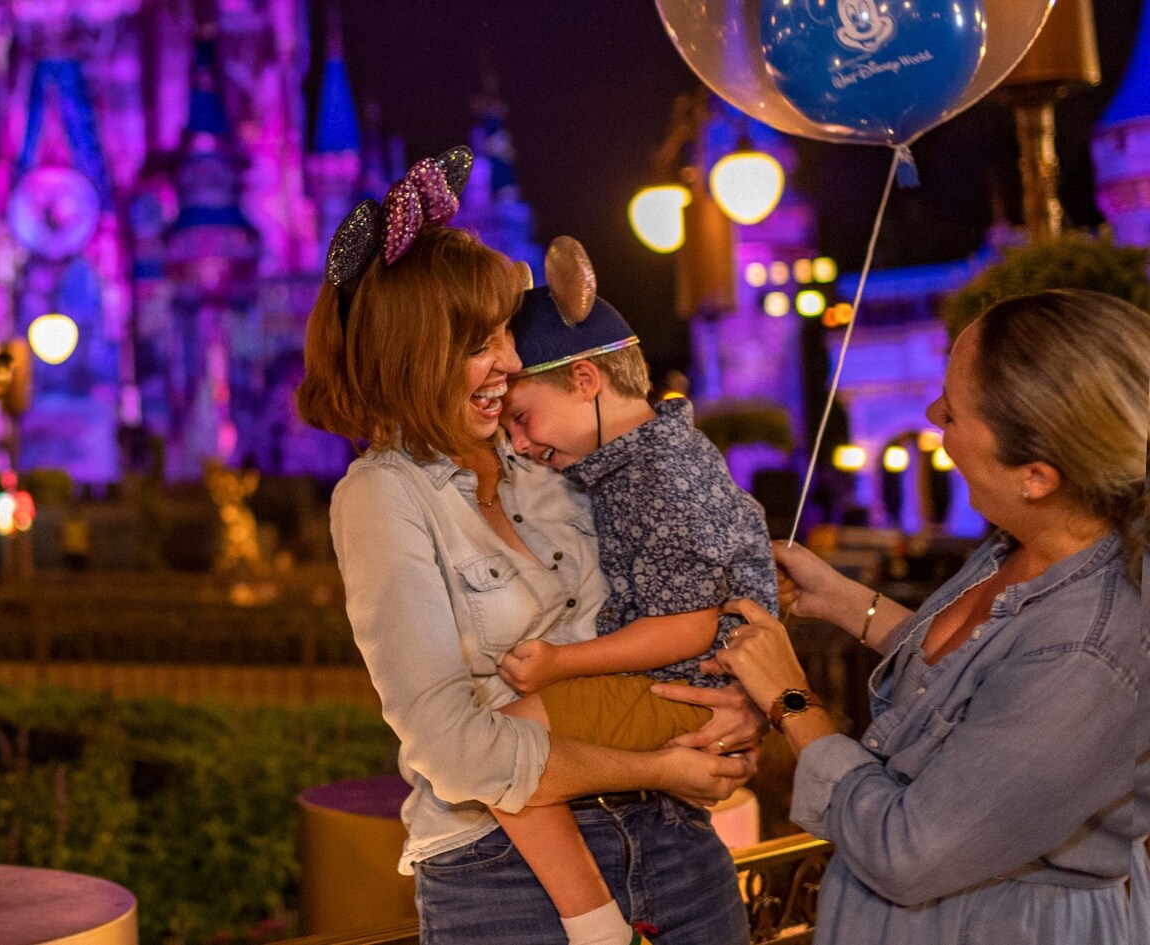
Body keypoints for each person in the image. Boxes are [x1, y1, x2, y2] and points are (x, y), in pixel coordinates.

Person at [298, 149, 760, 945]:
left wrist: (738, 700)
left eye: (505, 337)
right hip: (502, 877)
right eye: (482, 343)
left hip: (673, 839)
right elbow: (457, 747)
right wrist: (656, 762)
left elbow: (682, 589)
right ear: (417, 353)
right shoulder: (383, 497)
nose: (510, 362)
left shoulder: (551, 457)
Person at [713, 289, 1147, 943]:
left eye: (957, 408)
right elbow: (982, 679)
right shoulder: (1027, 544)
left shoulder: (1092, 649)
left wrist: (791, 698)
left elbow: (907, 850)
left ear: (1037, 475)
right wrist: (844, 601)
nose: (933, 410)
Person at [488, 245, 777, 941]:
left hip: (682, 684)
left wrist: (559, 663)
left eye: (523, 417)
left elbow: (683, 628)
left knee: (506, 741)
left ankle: (593, 925)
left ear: (586, 377)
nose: (521, 444)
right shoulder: (644, 456)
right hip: (687, 682)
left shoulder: (657, 477)